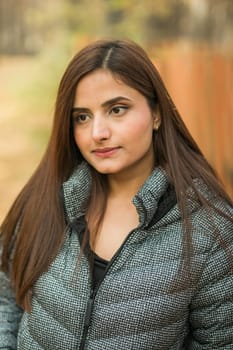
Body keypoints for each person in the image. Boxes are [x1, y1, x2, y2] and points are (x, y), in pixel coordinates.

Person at [0, 39, 233, 350]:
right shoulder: (47, 199)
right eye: (82, 117)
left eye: (117, 109)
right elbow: (6, 295)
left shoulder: (209, 232)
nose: (98, 132)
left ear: (156, 114)